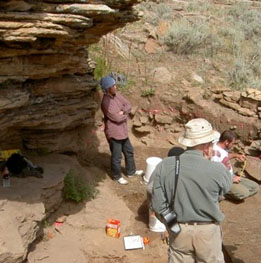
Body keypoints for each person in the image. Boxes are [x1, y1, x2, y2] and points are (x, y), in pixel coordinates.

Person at [151, 118, 233, 263]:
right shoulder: (218, 169)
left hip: (179, 229)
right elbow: (224, 191)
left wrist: (172, 225)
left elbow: (158, 206)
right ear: (207, 145)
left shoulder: (165, 166)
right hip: (208, 232)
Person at [100, 75, 143, 185]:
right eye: (113, 85)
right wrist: (125, 113)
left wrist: (123, 111)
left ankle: (131, 172)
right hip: (114, 133)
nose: (116, 87)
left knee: (129, 151)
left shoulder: (117, 95)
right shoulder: (106, 102)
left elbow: (128, 105)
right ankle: (117, 176)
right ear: (108, 88)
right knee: (116, 156)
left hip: (123, 131)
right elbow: (116, 118)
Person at [211, 130, 259, 201]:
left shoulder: (222, 147)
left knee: (255, 187)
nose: (233, 145)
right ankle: (221, 194)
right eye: (233, 143)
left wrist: (237, 155)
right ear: (226, 142)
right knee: (244, 193)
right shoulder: (214, 155)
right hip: (224, 181)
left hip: (231, 176)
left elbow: (225, 156)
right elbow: (215, 175)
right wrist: (231, 179)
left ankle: (233, 191)